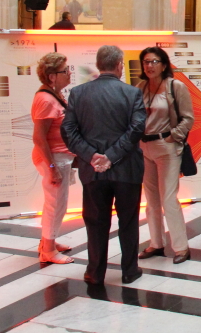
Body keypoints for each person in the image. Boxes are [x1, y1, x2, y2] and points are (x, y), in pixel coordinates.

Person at [61, 45, 146, 285]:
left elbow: (68, 130)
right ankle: (129, 270)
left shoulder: (78, 93)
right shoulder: (132, 93)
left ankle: (95, 272)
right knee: (128, 220)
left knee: (96, 221)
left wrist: (92, 156)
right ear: (120, 65)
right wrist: (111, 156)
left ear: (99, 65)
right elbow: (136, 129)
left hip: (93, 171)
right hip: (126, 169)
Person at [135, 47, 195, 265]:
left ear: (163, 64)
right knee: (151, 200)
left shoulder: (175, 86)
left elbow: (188, 118)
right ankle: (156, 243)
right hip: (145, 146)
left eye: (154, 61)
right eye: (146, 62)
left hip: (167, 147)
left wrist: (173, 137)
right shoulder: (140, 87)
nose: (149, 66)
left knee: (169, 198)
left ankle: (181, 247)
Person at [31, 52, 75, 265]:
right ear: (51, 76)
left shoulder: (54, 96)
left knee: (58, 204)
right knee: (55, 204)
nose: (69, 74)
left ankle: (49, 241)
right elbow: (39, 138)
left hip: (59, 158)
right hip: (53, 159)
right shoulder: (46, 100)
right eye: (65, 71)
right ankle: (47, 249)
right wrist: (51, 167)